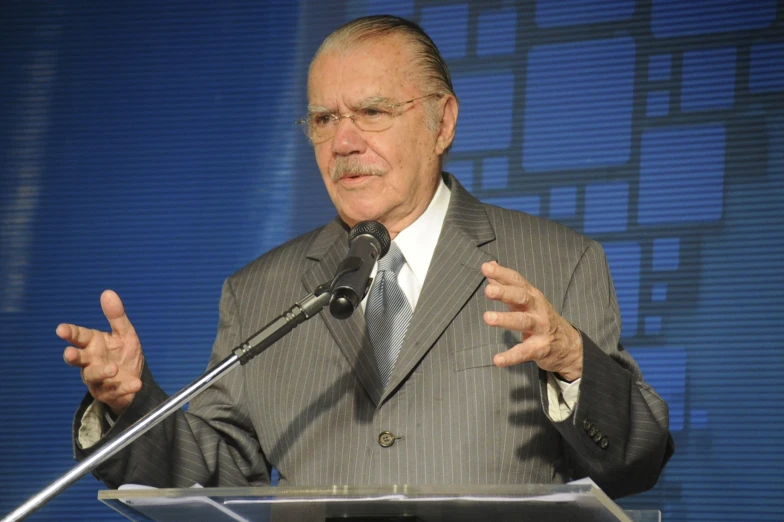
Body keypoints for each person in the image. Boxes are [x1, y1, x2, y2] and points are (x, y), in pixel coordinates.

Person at [60, 15, 673, 499]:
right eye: (325, 119)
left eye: (373, 113)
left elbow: (635, 460)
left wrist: (572, 365)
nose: (344, 142)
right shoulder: (260, 291)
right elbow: (219, 469)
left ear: (442, 122)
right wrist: (132, 405)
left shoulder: (558, 261)